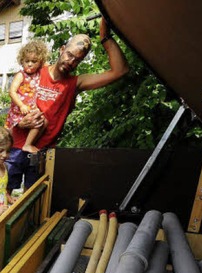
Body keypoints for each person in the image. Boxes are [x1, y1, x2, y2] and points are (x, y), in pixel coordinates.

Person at [7, 18, 129, 192]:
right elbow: (14, 101)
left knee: (33, 205)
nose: (71, 62)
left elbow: (120, 71)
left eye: (77, 60)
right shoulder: (36, 71)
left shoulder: (75, 83)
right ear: (62, 50)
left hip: (41, 154)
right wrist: (20, 123)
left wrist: (105, 37)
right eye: (69, 55)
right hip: (17, 146)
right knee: (2, 196)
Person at [5, 40, 50, 154]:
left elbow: (49, 66)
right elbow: (12, 91)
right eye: (27, 61)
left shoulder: (39, 73)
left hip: (31, 109)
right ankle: (25, 145)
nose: (29, 64)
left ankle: (28, 144)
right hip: (20, 110)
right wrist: (21, 105)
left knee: (43, 121)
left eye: (34, 61)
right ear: (22, 61)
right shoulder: (21, 75)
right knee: (8, 134)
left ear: (40, 62)